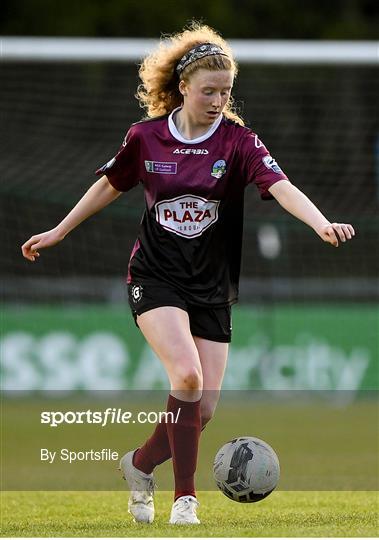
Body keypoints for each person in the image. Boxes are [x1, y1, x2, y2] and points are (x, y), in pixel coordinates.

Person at [21, 22, 355, 525]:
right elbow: (110, 185)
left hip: (211, 286)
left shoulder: (239, 142)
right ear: (183, 88)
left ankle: (138, 464)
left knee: (200, 411)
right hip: (154, 276)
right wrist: (60, 231)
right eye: (209, 91)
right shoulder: (146, 137)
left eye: (226, 91)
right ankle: (185, 500)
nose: (219, 99)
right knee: (187, 375)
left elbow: (281, 185)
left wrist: (320, 223)